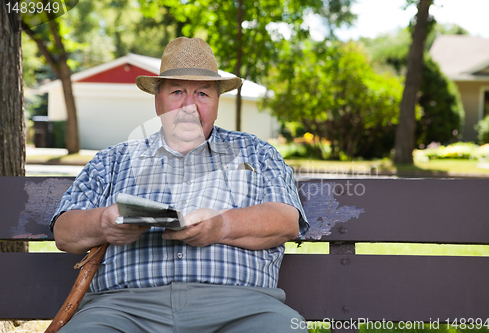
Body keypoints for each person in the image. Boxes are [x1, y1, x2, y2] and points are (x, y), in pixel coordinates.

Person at [51, 37, 309, 332]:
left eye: (202, 93)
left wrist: (220, 226)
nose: (189, 106)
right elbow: (64, 231)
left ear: (216, 102)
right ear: (158, 99)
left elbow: (286, 221)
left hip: (243, 310)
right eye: (177, 92)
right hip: (123, 312)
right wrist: (102, 222)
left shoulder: (258, 153)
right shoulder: (112, 159)